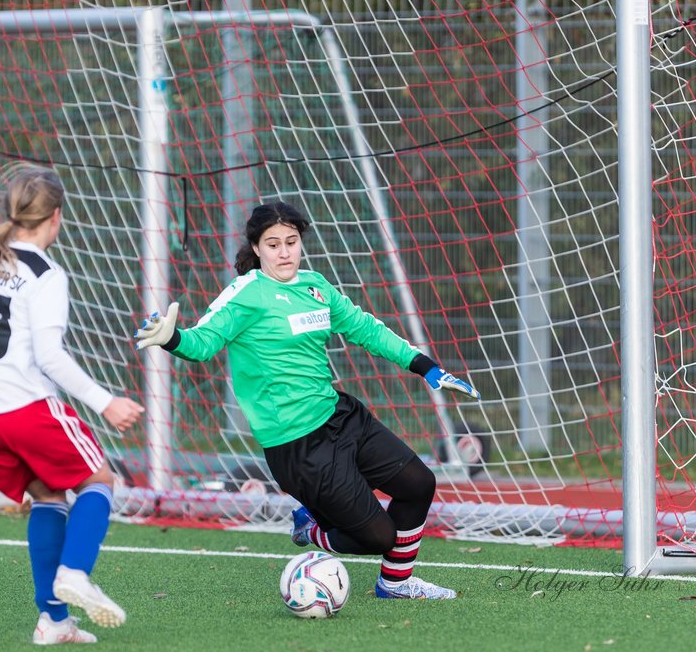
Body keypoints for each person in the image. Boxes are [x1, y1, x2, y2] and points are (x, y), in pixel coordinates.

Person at [135, 200, 479, 600]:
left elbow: (364, 328)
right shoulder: (246, 293)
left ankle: (395, 584)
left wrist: (425, 366)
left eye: (291, 242)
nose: (284, 252)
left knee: (419, 484)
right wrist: (172, 339)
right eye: (273, 244)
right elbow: (203, 342)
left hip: (341, 415)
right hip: (298, 445)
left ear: (301, 243)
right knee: (378, 537)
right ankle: (310, 529)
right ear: (257, 248)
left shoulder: (315, 286)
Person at [0, 165, 143, 645]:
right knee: (98, 481)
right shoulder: (45, 273)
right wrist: (106, 403)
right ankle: (75, 573)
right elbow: (49, 357)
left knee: (48, 494)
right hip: (19, 406)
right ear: (55, 218)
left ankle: (54, 622)